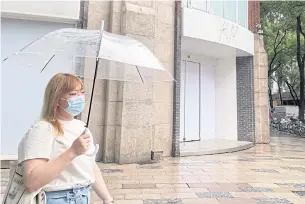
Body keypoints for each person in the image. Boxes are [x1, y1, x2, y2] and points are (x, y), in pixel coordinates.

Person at [18, 73, 113, 204]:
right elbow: (32, 182)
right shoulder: (43, 129)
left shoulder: (81, 127)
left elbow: (90, 166)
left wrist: (107, 198)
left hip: (83, 196)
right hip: (56, 198)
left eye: (82, 92)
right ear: (56, 99)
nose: (80, 98)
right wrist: (72, 152)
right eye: (73, 94)